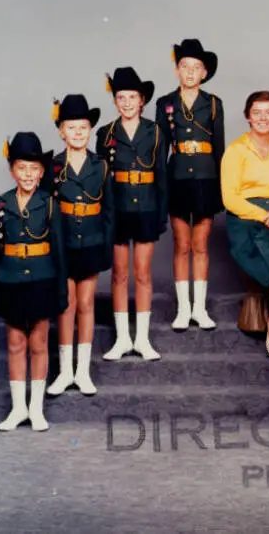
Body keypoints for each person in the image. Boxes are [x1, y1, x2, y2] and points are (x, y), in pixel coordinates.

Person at [0, 132, 67, 431]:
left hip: (43, 279)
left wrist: (60, 290)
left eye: (34, 169)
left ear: (42, 172)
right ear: (12, 170)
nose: (28, 174)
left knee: (39, 342)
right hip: (9, 280)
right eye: (22, 168)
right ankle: (18, 408)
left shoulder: (49, 204)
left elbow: (58, 249)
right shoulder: (1, 205)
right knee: (15, 342)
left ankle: (36, 409)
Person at [96, 67, 168, 361]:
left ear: (142, 100)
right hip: (117, 208)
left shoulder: (155, 131)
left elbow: (161, 174)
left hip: (147, 207)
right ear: (115, 101)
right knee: (119, 274)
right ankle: (122, 338)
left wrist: (161, 214)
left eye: (132, 97)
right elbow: (100, 179)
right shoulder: (105, 133)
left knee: (142, 273)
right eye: (121, 97)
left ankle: (142, 339)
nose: (126, 102)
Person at [221, 91, 269, 359]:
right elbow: (230, 197)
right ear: (247, 116)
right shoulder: (235, 150)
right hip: (246, 221)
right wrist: (264, 215)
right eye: (257, 112)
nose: (263, 118)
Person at [47, 95, 114, 396]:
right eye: (71, 127)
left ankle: (83, 372)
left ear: (90, 131)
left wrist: (106, 245)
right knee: (66, 305)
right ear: (61, 131)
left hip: (91, 241)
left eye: (83, 127)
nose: (77, 133)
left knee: (86, 304)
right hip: (63, 245)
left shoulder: (101, 166)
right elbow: (45, 210)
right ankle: (64, 372)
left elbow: (110, 210)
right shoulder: (51, 167)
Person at [156, 39, 225, 331]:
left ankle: (200, 308)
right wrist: (160, 188)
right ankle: (183, 308)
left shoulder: (213, 103)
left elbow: (219, 148)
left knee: (200, 244)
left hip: (207, 177)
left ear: (204, 72)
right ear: (176, 70)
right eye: (184, 66)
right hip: (178, 177)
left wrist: (222, 187)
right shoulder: (165, 104)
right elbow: (160, 152)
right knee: (182, 244)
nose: (190, 72)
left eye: (196, 67)